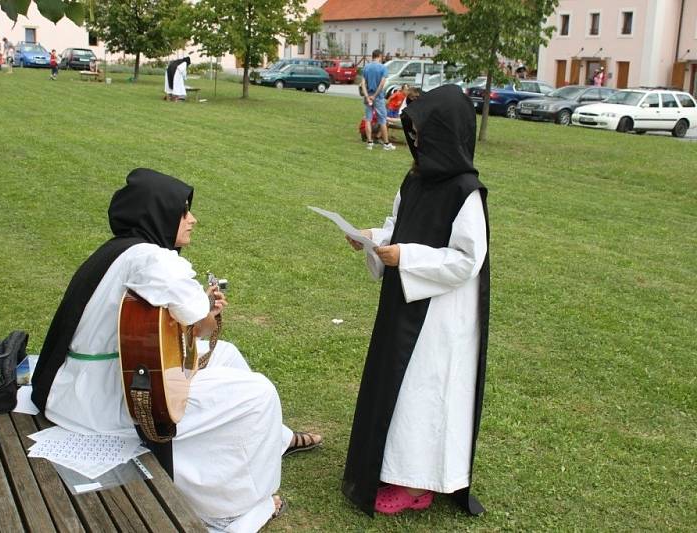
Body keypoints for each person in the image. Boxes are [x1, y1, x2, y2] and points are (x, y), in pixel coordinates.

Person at [30, 168, 322, 532]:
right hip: (102, 402)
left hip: (82, 385)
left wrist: (200, 311)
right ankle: (232, 509)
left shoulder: (122, 250)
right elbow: (197, 317)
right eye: (184, 211)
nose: (192, 219)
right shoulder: (151, 258)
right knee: (258, 393)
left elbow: (173, 321)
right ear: (159, 214)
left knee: (225, 354)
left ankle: (270, 439)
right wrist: (207, 307)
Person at [342, 84, 490, 518]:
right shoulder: (415, 178)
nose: (417, 140)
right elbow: (399, 225)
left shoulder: (466, 191)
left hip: (443, 313)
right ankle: (394, 465)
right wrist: (371, 238)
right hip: (406, 299)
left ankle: (417, 482)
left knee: (424, 389)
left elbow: (467, 260)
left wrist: (405, 256)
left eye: (425, 132)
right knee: (397, 383)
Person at [359, 49, 395, 151]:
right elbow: (382, 84)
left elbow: (363, 84)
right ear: (379, 56)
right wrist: (374, 96)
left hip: (368, 96)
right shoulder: (383, 68)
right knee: (382, 120)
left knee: (368, 119)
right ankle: (386, 144)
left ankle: (369, 142)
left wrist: (367, 96)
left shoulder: (366, 67)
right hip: (378, 97)